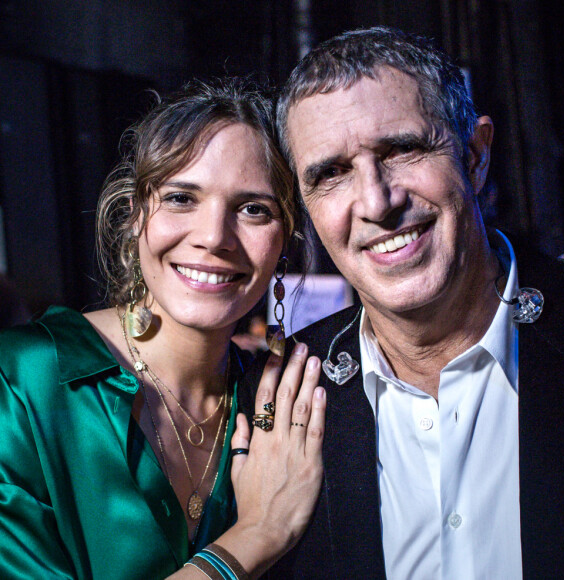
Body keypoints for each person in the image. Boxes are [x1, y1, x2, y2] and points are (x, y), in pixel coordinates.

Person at [240, 27, 564, 579]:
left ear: (474, 155)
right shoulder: (277, 402)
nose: (376, 201)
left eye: (401, 149)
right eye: (331, 174)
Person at [0, 79, 327, 579]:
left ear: (284, 238)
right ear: (134, 215)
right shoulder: (26, 382)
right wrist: (258, 534)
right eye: (181, 198)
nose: (214, 237)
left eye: (253, 209)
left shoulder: (279, 406)